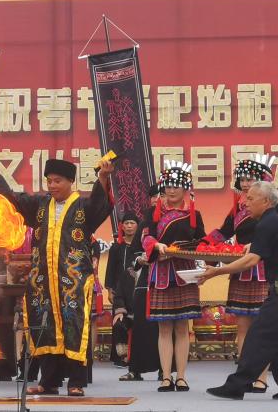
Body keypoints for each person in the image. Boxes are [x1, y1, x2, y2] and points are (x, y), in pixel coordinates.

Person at [0, 141, 113, 397]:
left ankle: (76, 381)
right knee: (45, 326)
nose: (52, 186)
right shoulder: (40, 206)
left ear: (70, 182)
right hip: (43, 281)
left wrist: (104, 177)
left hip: (73, 280)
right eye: (49, 181)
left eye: (57, 181)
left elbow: (101, 204)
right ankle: (48, 381)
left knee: (74, 327)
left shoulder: (83, 207)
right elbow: (10, 197)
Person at [201, 181, 278, 400]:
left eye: (251, 198)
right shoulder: (271, 221)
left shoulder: (268, 223)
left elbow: (251, 261)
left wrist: (216, 272)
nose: (245, 203)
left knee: (260, 333)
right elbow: (257, 253)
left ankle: (236, 385)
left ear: (266, 201)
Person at [203, 154, 275, 392]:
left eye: (250, 178)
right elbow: (222, 232)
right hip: (240, 271)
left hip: (262, 271)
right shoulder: (236, 209)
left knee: (261, 327)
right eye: (242, 179)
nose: (245, 184)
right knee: (242, 326)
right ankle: (245, 374)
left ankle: (262, 377)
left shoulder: (272, 208)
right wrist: (202, 244)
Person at [141, 161, 205, 392]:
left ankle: (182, 376)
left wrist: (188, 249)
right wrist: (156, 245)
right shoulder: (153, 213)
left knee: (182, 326)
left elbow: (202, 242)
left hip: (184, 274)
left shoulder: (193, 214)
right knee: (164, 328)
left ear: (186, 188)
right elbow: (145, 237)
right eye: (167, 184)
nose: (171, 189)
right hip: (161, 274)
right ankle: (166, 376)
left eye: (176, 185)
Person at [111, 212, 160, 381]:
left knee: (163, 328)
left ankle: (166, 371)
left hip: (162, 280)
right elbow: (134, 257)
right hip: (142, 287)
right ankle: (134, 369)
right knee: (138, 328)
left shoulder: (172, 224)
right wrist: (140, 259)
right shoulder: (145, 226)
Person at [105, 213, 139, 368]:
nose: (130, 226)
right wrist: (110, 290)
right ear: (122, 227)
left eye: (132, 223)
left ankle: (137, 355)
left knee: (138, 323)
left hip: (137, 288)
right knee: (119, 321)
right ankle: (119, 355)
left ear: (137, 226)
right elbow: (110, 269)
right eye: (127, 223)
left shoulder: (141, 246)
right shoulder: (116, 247)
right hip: (119, 292)